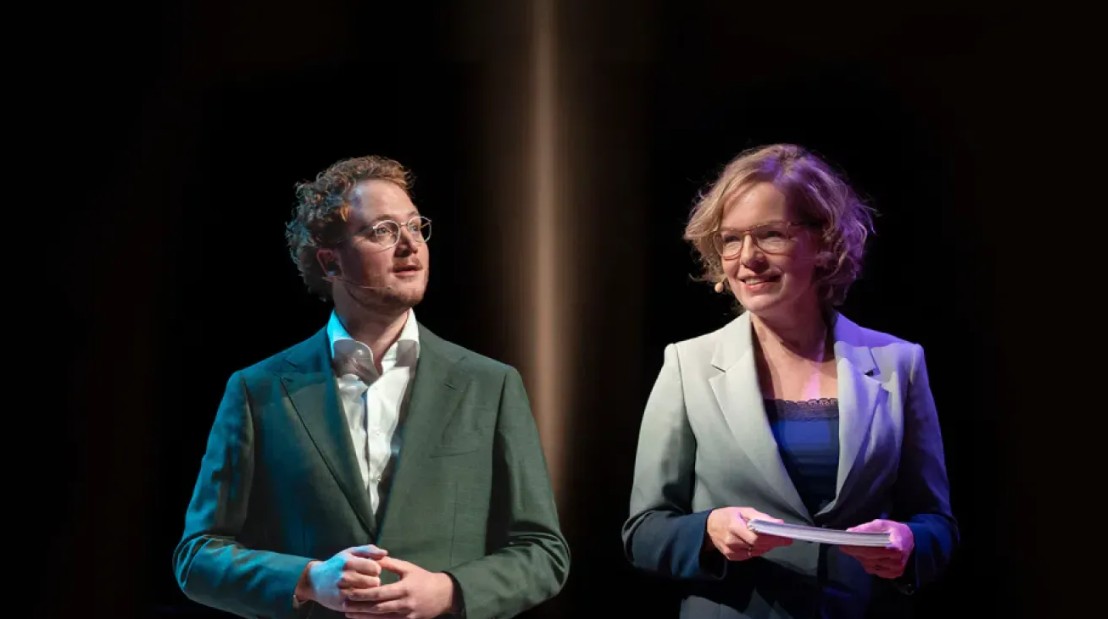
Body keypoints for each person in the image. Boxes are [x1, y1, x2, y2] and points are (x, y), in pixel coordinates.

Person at [173, 155, 570, 619]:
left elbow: (544, 551)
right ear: (331, 261)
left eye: (415, 227)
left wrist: (448, 591)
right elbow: (198, 556)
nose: (410, 246)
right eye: (382, 231)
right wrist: (308, 579)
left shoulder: (490, 384)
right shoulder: (259, 391)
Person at [621, 144, 958, 618]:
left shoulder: (898, 363)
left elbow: (937, 524)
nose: (747, 258)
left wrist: (909, 544)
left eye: (771, 235)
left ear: (824, 243)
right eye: (731, 239)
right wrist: (710, 530)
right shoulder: (686, 365)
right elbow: (644, 532)